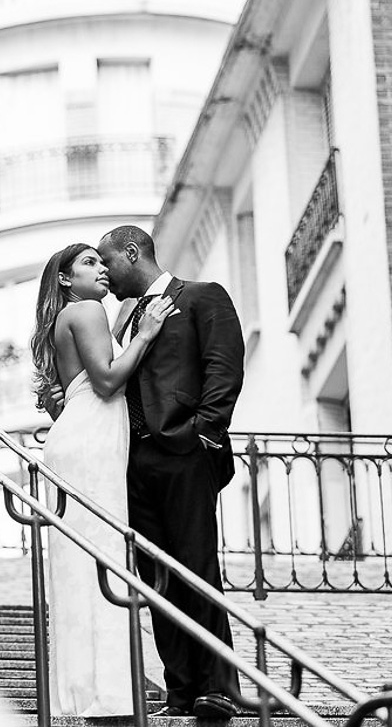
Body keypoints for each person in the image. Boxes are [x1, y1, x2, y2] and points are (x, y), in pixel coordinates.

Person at [96, 224, 245, 719]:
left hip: (184, 453)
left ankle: (220, 686)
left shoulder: (202, 297)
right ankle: (181, 691)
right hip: (132, 464)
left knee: (196, 569)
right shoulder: (121, 323)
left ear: (131, 253)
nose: (105, 275)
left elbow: (224, 368)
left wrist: (203, 434)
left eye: (108, 263)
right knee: (155, 579)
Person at [30, 242, 175, 717]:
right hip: (91, 440)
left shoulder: (70, 318)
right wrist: (146, 334)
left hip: (78, 434)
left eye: (101, 260)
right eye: (89, 263)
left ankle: (90, 689)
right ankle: (111, 692)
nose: (102, 270)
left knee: (82, 564)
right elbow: (109, 380)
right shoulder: (87, 308)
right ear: (66, 280)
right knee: (106, 557)